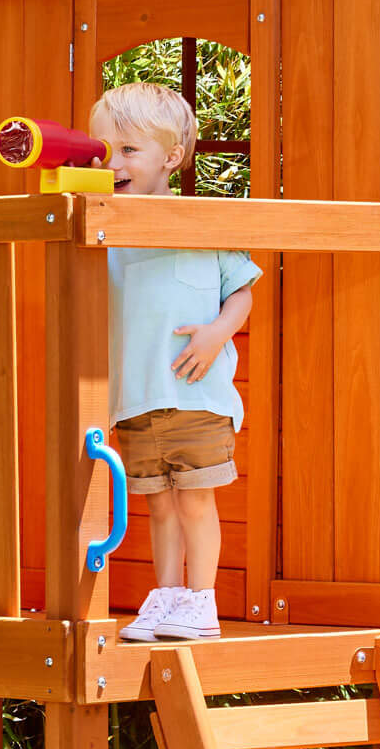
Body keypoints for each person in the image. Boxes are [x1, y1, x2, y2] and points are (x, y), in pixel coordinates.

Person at [89, 82, 260, 644]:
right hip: (137, 399)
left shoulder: (200, 223)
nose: (112, 162)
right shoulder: (103, 229)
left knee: (195, 500)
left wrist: (215, 335)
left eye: (129, 150)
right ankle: (165, 598)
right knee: (158, 508)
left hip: (196, 395)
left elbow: (242, 292)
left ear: (171, 156)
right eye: (102, 150)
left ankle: (202, 601)